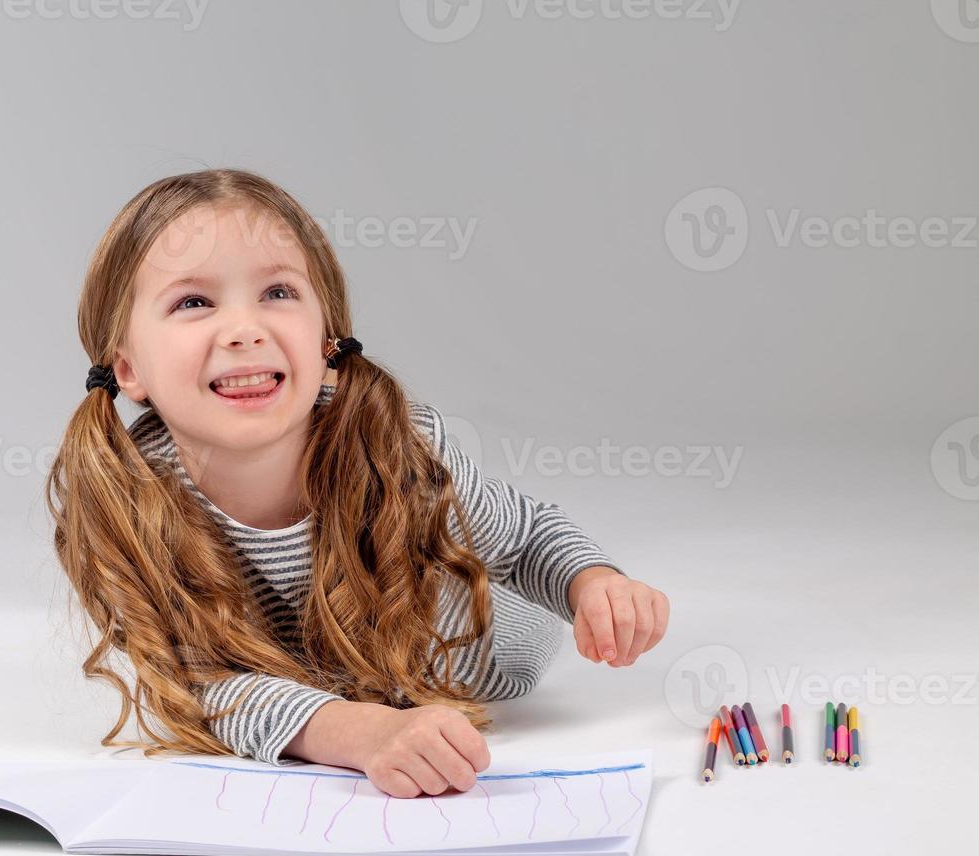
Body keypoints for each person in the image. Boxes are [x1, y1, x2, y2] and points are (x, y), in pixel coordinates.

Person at [45, 168, 670, 799]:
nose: (244, 329)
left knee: (513, 579)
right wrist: (358, 733)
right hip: (367, 692)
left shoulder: (398, 450)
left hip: (485, 642)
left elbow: (524, 537)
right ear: (128, 368)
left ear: (326, 340)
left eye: (278, 293)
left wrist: (593, 583)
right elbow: (200, 683)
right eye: (193, 303)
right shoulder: (126, 496)